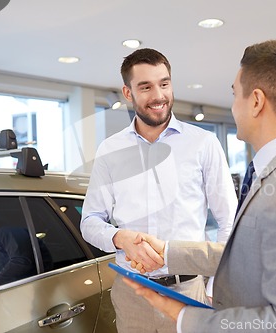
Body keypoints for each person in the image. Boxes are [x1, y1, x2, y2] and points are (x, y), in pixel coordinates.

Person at [124, 40, 276, 333]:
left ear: (256, 101)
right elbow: (248, 254)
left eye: (235, 95)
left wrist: (184, 316)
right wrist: (169, 252)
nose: (233, 107)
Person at [80, 48, 237, 332]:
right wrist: (118, 237)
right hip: (131, 294)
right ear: (128, 93)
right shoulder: (110, 150)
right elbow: (90, 221)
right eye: (146, 87)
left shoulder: (203, 143)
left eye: (164, 83)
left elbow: (230, 219)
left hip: (188, 293)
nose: (159, 95)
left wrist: (215, 286)